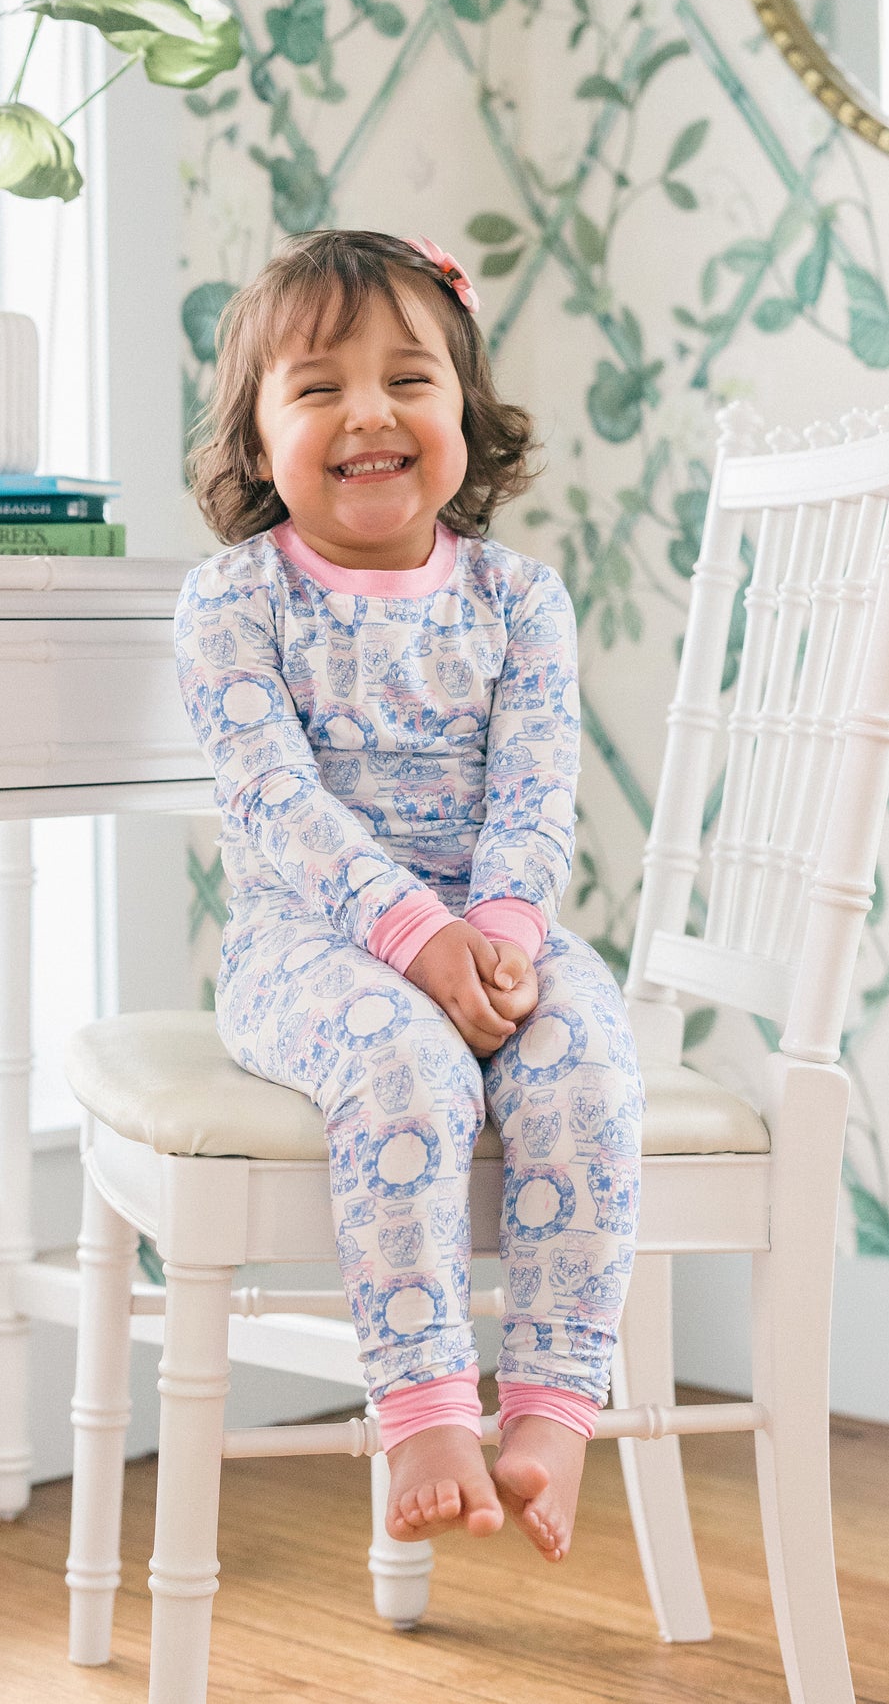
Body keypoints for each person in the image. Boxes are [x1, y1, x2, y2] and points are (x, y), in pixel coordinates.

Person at [175, 228, 641, 1563]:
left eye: (407, 378)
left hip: (494, 933)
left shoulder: (520, 600)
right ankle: (426, 1406)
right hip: (308, 947)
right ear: (259, 445)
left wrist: (494, 935)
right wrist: (414, 941)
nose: (367, 410)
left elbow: (534, 795)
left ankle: (552, 1411)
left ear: (464, 417)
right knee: (404, 1071)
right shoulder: (232, 602)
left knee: (590, 1073)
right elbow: (279, 808)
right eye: (316, 386)